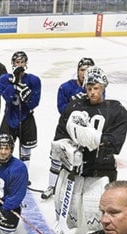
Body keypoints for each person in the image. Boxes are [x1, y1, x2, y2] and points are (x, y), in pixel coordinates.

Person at [51, 66, 127, 234]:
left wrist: (93, 138)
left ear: (103, 88)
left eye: (96, 88)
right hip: (75, 170)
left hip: (101, 170)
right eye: (89, 88)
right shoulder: (74, 106)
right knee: (68, 210)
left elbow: (116, 143)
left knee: (96, 212)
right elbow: (59, 136)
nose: (92, 92)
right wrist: (68, 149)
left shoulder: (117, 110)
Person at [41, 57, 97, 200]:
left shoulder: (96, 89)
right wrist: (76, 104)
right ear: (77, 71)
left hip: (84, 131)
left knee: (81, 160)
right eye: (82, 70)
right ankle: (51, 186)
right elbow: (62, 109)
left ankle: (78, 190)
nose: (85, 73)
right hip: (65, 128)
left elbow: (97, 109)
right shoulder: (66, 87)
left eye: (88, 70)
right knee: (57, 156)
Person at [0, 50, 42, 178]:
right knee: (4, 146)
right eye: (17, 62)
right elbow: (8, 98)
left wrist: (27, 96)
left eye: (22, 62)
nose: (20, 65)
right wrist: (15, 84)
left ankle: (23, 175)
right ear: (13, 63)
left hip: (26, 118)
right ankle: (4, 174)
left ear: (26, 63)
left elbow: (34, 103)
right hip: (9, 118)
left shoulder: (34, 80)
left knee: (26, 150)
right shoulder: (4, 79)